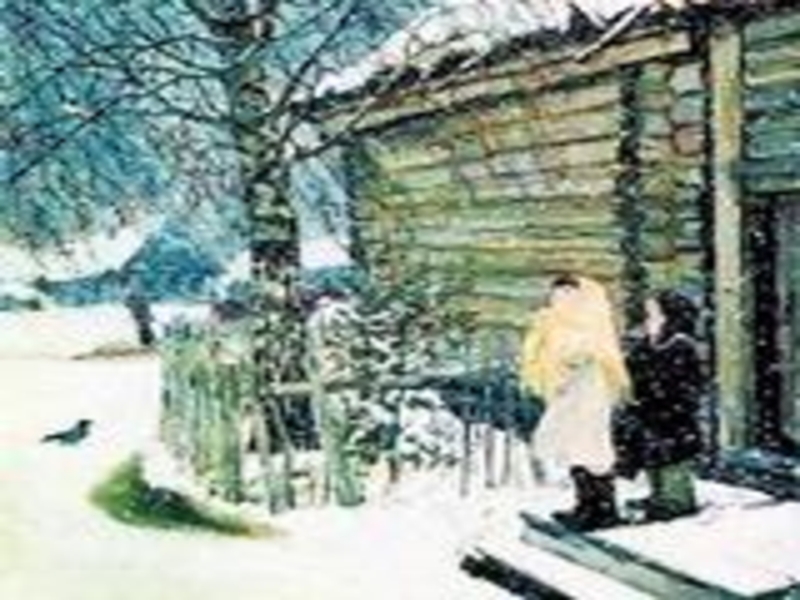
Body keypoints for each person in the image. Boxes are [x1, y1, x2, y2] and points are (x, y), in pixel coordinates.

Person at [520, 274, 630, 531]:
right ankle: (585, 504)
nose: (559, 299)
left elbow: (585, 353)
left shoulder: (589, 322)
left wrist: (567, 363)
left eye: (567, 293)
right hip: (568, 395)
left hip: (588, 394)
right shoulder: (554, 322)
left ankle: (603, 508)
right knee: (573, 448)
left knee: (591, 449)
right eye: (557, 293)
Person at [619, 290, 705, 522]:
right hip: (649, 409)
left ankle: (677, 501)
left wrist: (661, 397)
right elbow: (632, 367)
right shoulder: (648, 341)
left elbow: (686, 383)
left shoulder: (681, 344)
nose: (649, 317)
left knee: (672, 457)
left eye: (654, 312)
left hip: (672, 413)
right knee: (653, 454)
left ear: (669, 315)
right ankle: (659, 496)